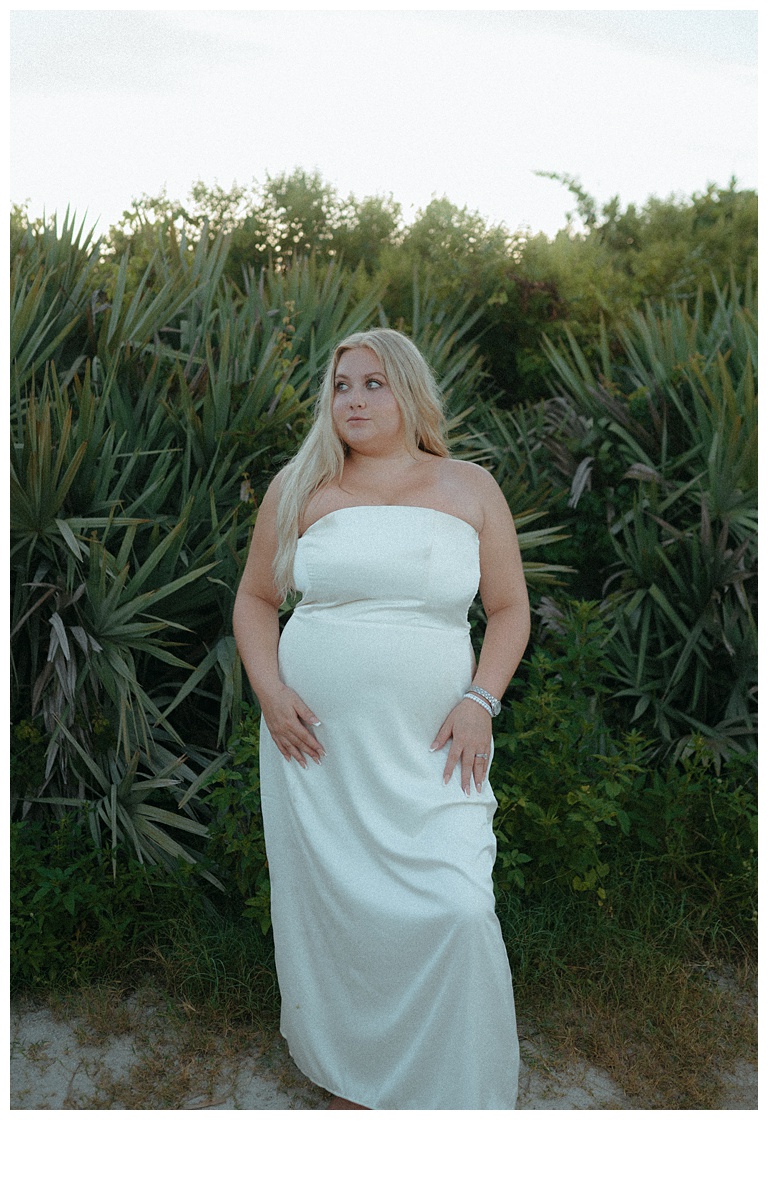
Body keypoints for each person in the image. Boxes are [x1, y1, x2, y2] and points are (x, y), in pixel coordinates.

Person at [233, 328, 530, 1110]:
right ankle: (349, 1073)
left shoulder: (469, 487)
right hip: (316, 741)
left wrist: (481, 700)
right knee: (337, 902)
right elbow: (256, 600)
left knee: (459, 905)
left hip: (436, 741)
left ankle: (454, 1086)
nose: (354, 400)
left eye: (373, 384)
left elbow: (508, 611)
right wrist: (268, 690)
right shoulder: (300, 486)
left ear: (409, 393)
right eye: (340, 386)